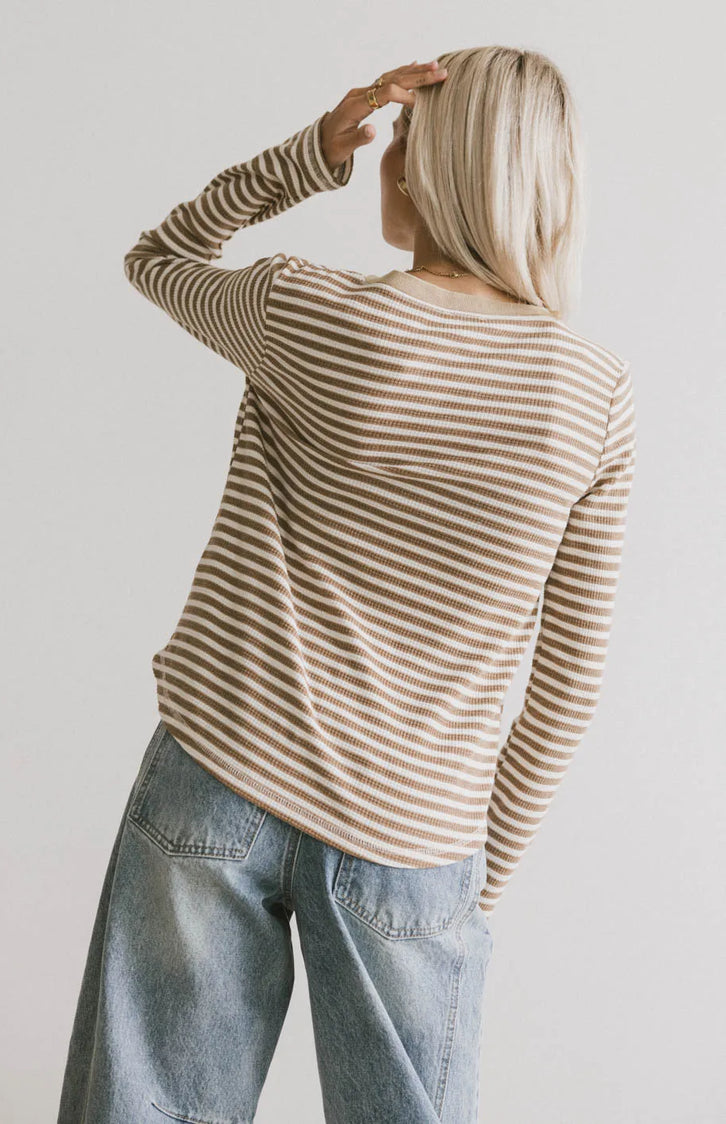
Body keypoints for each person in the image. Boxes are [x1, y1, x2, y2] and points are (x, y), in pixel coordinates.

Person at [57, 47, 636, 1124]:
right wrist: (471, 880)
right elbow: (567, 690)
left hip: (219, 770)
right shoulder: (591, 395)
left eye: (399, 142)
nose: (383, 162)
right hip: (417, 839)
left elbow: (161, 254)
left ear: (425, 167)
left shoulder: (304, 310)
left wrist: (307, 154)